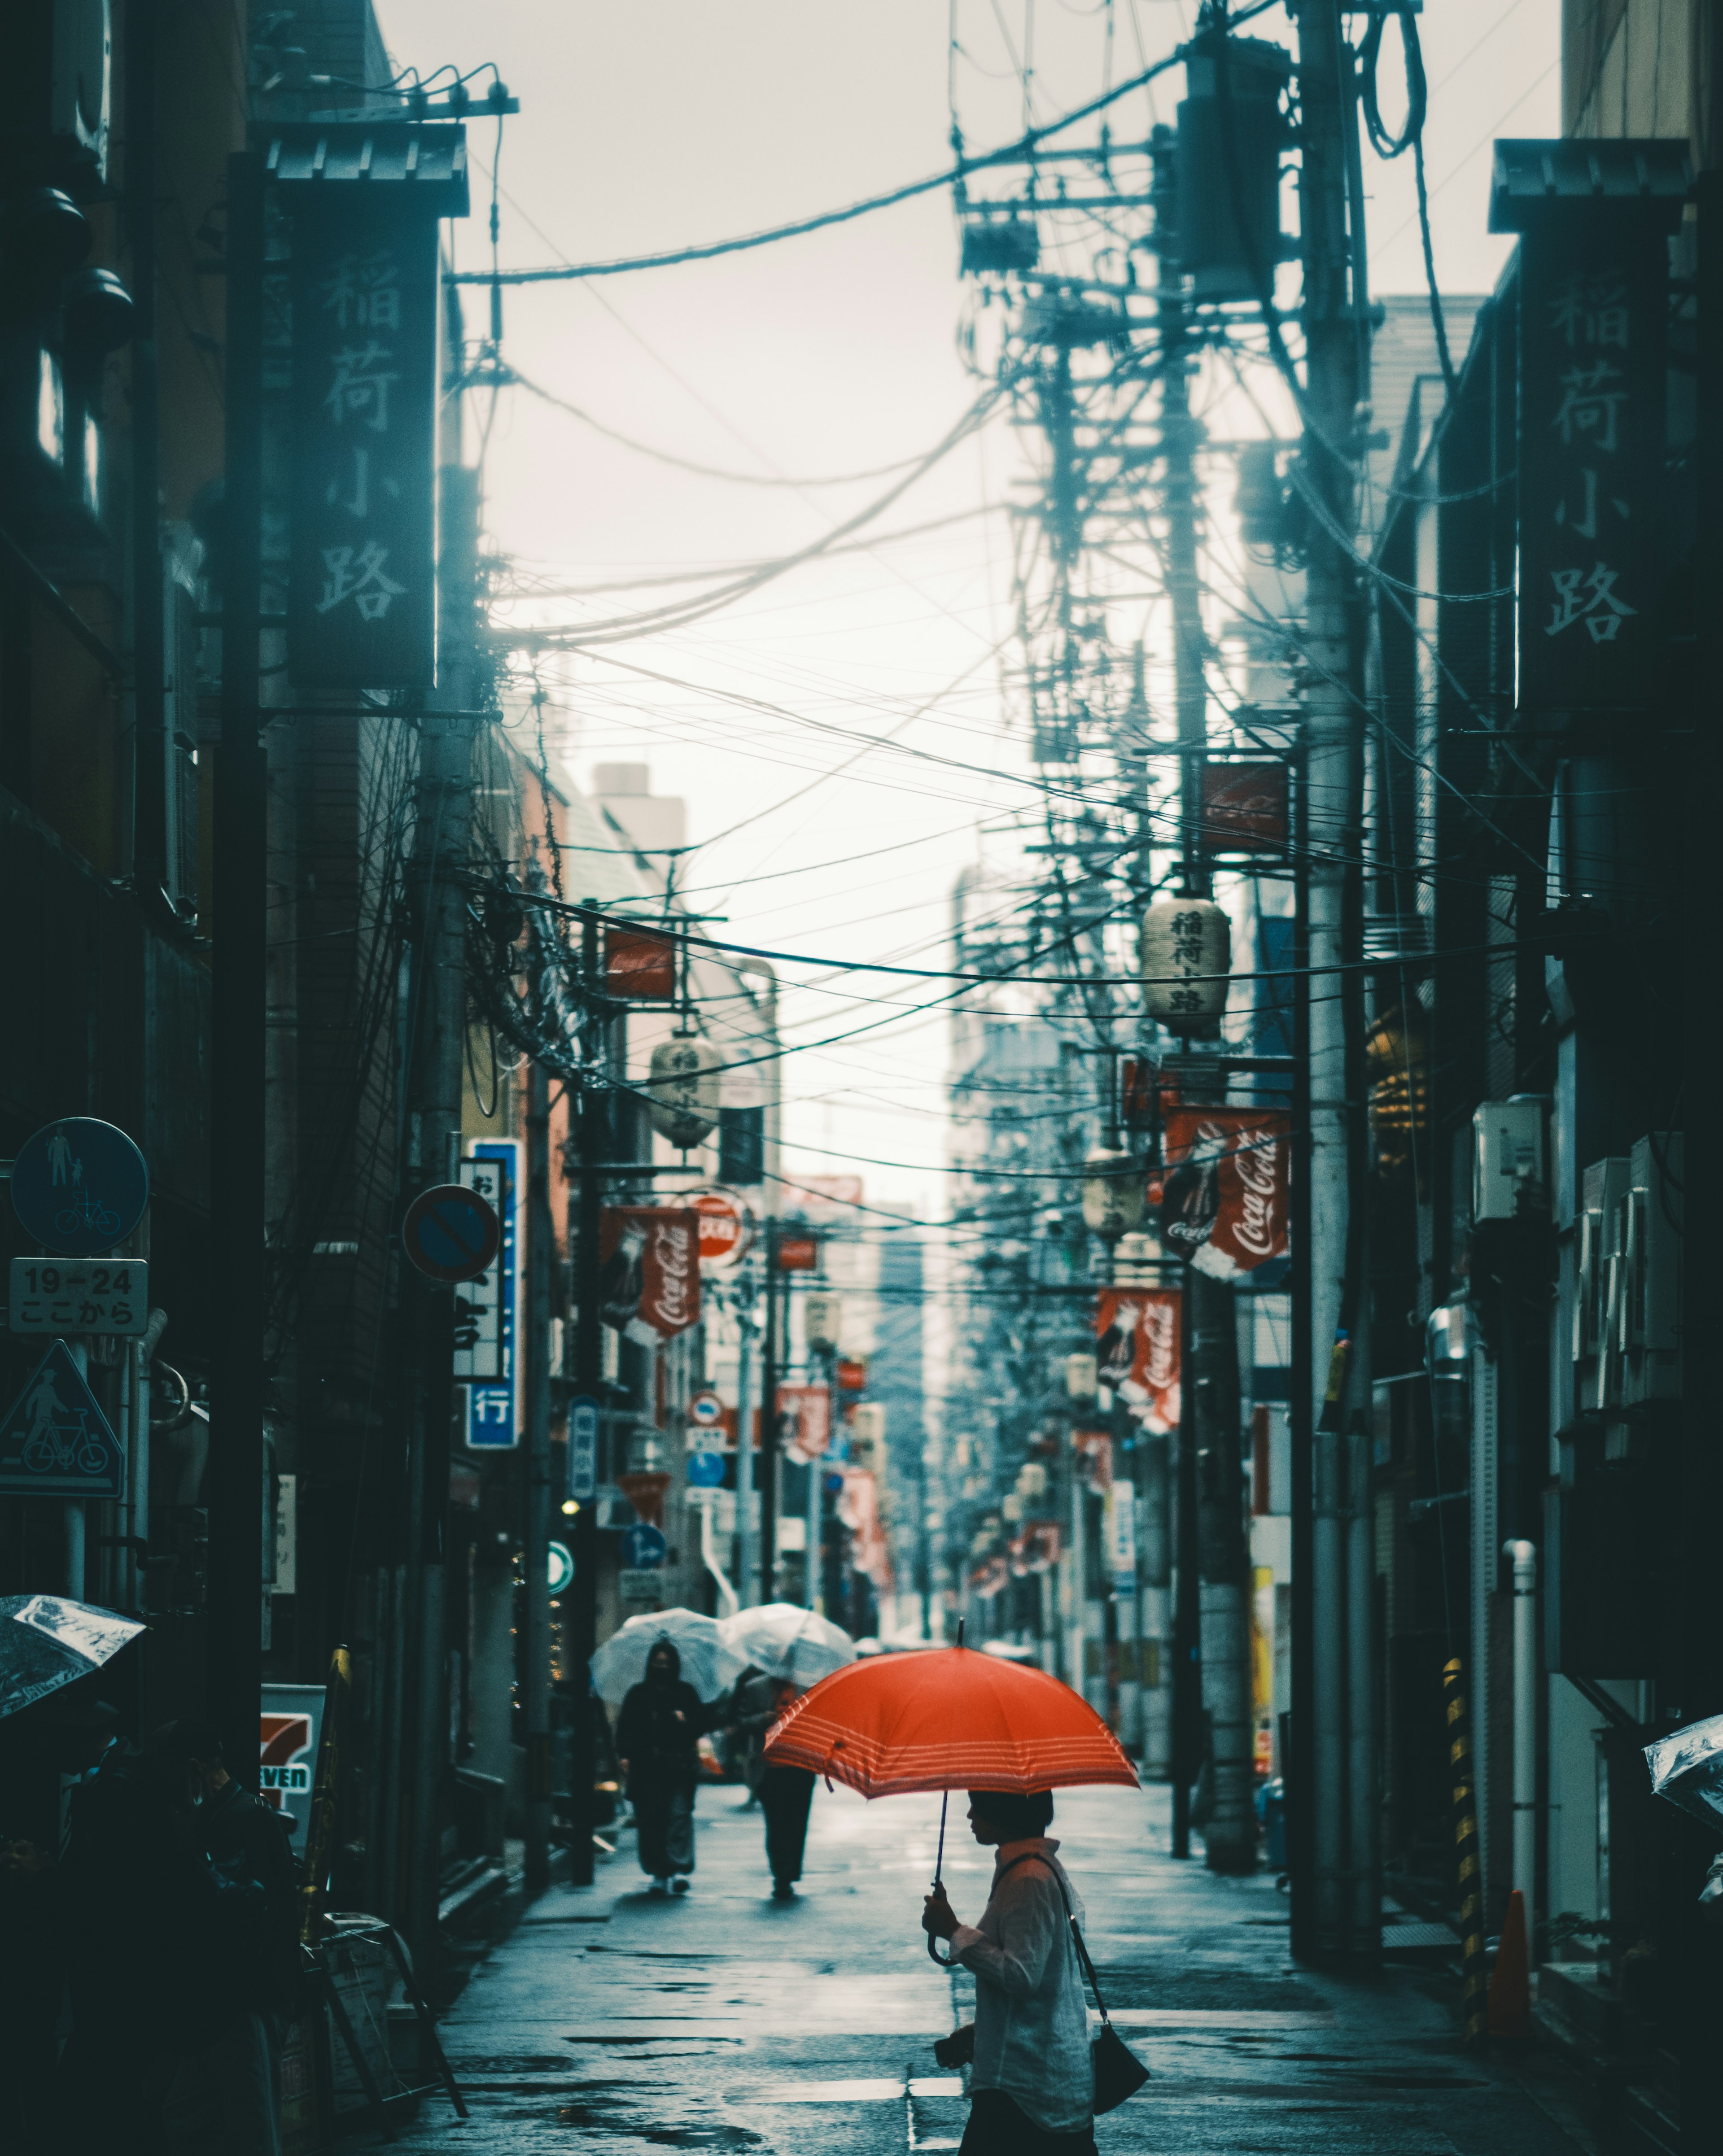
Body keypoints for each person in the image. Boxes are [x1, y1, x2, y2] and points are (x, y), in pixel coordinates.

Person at [152, 1720, 302, 2156]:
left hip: (243, 2000)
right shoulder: (235, 1812)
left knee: (249, 2123)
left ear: (195, 1769)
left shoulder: (238, 1819)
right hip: (234, 2000)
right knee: (197, 2112)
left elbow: (251, 1911)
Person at [921, 1790, 1096, 2156]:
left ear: (1005, 1810)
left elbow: (1021, 1976)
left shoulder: (1028, 1879)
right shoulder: (1030, 1870)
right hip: (1034, 2076)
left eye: (978, 1804)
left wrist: (953, 1930)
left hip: (1024, 2088)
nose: (970, 1814)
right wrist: (986, 2030)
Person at [615, 1639, 710, 1894]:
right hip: (647, 1768)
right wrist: (625, 1755)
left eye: (666, 1662)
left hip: (679, 1766)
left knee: (679, 1816)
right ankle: (658, 1872)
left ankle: (679, 1868)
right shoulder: (638, 1694)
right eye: (658, 1662)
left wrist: (685, 1721)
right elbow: (625, 1727)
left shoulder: (685, 1693)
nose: (662, 1666)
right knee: (650, 1820)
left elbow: (701, 1725)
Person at [729, 1669, 815, 1900]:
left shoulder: (808, 1686)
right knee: (776, 1825)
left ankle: (791, 1872)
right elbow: (740, 1721)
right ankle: (781, 1875)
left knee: (797, 1824)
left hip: (801, 1766)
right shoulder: (755, 1687)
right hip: (769, 1769)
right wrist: (763, 1719)